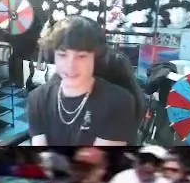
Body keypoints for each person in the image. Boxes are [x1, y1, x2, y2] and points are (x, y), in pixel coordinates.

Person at [26, 16, 142, 146]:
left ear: (95, 58)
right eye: (62, 55)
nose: (70, 66)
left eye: (81, 56)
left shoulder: (119, 102)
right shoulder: (37, 98)